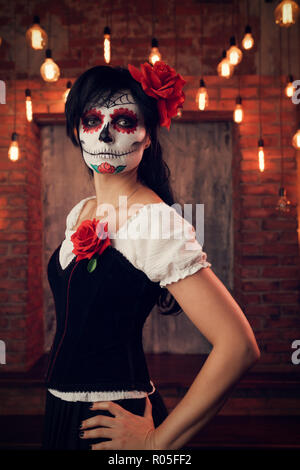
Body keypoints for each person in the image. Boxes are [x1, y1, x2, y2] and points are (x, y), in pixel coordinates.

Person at [41, 60, 260, 451]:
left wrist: (156, 441)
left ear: (148, 138)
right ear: (77, 131)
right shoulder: (82, 211)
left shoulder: (155, 222)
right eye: (91, 120)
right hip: (59, 412)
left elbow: (238, 345)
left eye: (124, 121)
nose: (105, 134)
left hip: (109, 422)